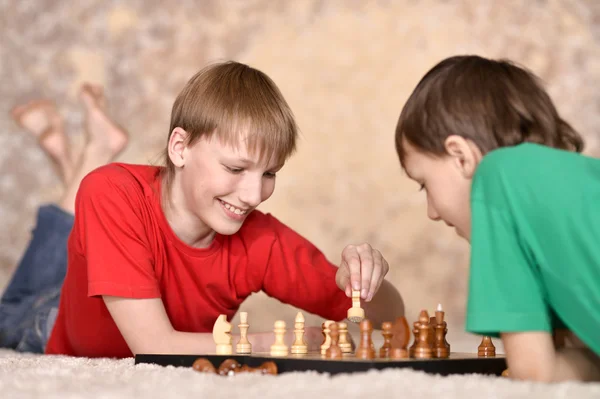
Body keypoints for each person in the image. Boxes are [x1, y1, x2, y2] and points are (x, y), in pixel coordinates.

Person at [1, 61, 404, 357]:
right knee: (8, 314)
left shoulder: (260, 238)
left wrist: (364, 278)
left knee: (83, 226)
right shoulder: (111, 190)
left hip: (99, 266)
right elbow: (154, 347)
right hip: (48, 320)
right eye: (234, 168)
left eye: (269, 173)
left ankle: (80, 152)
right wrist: (276, 343)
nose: (252, 195)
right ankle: (89, 156)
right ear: (180, 148)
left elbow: (386, 317)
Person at [395, 54, 600, 382]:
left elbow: (535, 373)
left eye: (424, 184)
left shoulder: (496, 176)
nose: (432, 212)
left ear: (461, 157)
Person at [0, 83, 129, 352]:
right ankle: (84, 156)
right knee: (12, 313)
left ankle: (82, 157)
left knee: (10, 315)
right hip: (58, 305)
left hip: (48, 308)